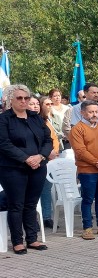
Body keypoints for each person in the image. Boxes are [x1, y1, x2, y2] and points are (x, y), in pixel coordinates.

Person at [0, 84, 52, 254]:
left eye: (26, 98)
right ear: (10, 100)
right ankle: (17, 241)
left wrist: (40, 156)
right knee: (17, 204)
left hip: (38, 166)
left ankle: (32, 238)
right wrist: (26, 158)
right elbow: (4, 144)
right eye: (19, 98)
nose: (24, 101)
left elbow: (48, 140)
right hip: (13, 168)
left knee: (30, 204)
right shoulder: (4, 119)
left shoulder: (35, 117)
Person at [70, 100, 98, 240]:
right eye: (91, 112)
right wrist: (97, 162)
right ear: (82, 113)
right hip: (87, 170)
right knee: (88, 199)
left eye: (96, 112)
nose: (94, 114)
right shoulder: (77, 129)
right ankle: (87, 228)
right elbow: (80, 151)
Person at [38, 96, 60, 229]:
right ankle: (36, 217)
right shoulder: (36, 121)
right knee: (37, 190)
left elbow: (54, 138)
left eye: (51, 104)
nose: (50, 106)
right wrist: (47, 152)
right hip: (41, 158)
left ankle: (47, 217)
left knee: (47, 189)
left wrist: (55, 151)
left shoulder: (48, 120)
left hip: (51, 159)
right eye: (47, 104)